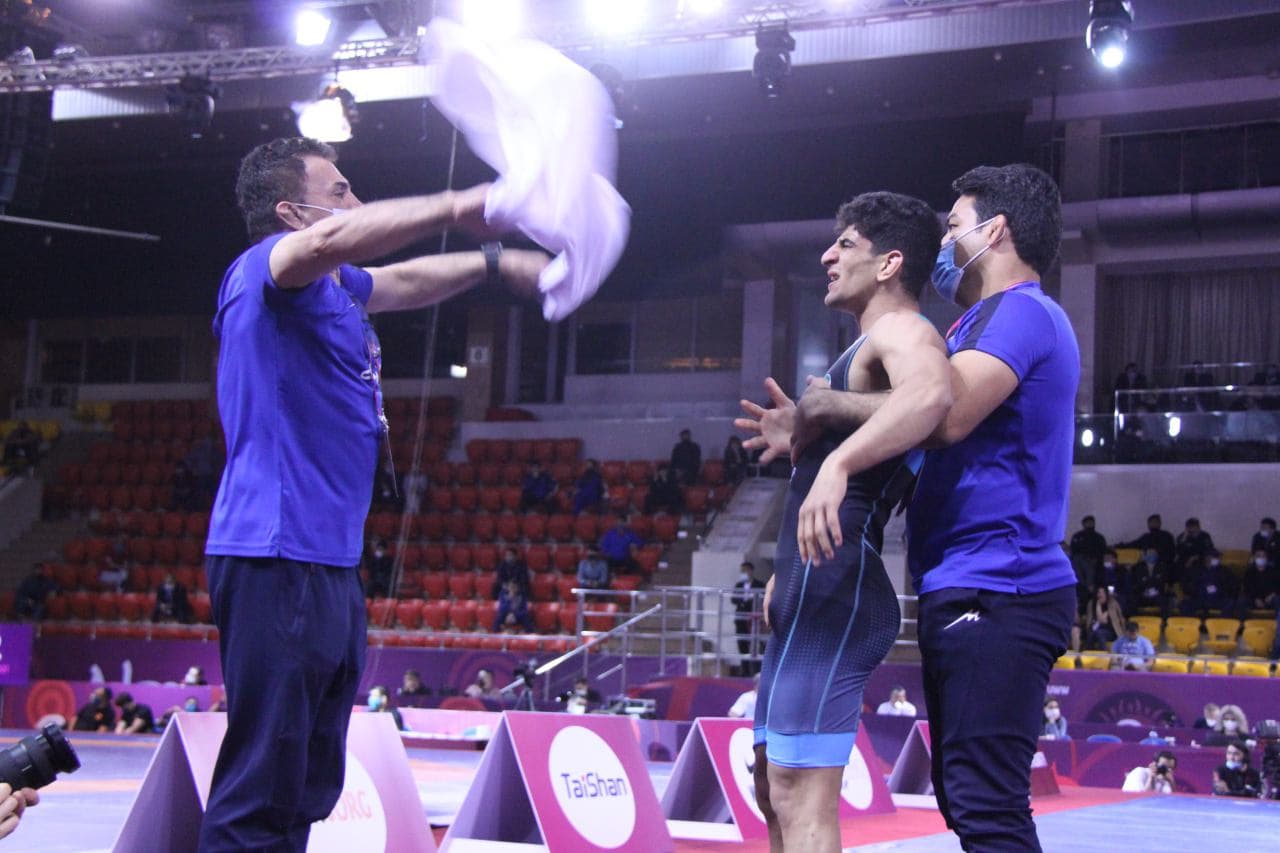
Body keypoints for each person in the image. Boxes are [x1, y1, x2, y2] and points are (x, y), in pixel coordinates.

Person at [199, 136, 548, 852]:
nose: (356, 203)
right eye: (339, 193)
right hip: (274, 551)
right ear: (291, 213)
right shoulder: (264, 268)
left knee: (306, 782)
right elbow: (328, 243)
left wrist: (494, 262)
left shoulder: (336, 289)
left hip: (329, 562)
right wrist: (457, 205)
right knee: (262, 784)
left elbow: (407, 281)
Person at [750, 165, 1078, 851]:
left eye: (955, 226)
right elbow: (911, 432)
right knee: (962, 798)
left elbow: (940, 410)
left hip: (1003, 584)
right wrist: (817, 425)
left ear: (995, 231)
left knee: (984, 802)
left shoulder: (1020, 313)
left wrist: (832, 440)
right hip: (961, 581)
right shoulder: (968, 327)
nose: (946, 241)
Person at [736, 190, 950, 853]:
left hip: (838, 590)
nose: (828, 256)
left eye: (846, 244)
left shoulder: (903, 330)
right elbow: (886, 409)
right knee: (772, 786)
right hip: (808, 591)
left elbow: (933, 396)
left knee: (801, 793)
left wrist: (837, 458)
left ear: (889, 263)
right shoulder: (861, 349)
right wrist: (807, 430)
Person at [732, 561, 765, 676]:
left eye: (744, 571)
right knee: (742, 645)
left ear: (750, 571)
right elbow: (733, 599)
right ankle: (745, 671)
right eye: (741, 571)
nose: (743, 573)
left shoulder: (759, 585)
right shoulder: (739, 585)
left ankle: (757, 671)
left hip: (754, 621)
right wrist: (742, 600)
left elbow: (763, 599)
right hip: (741, 621)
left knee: (756, 646)